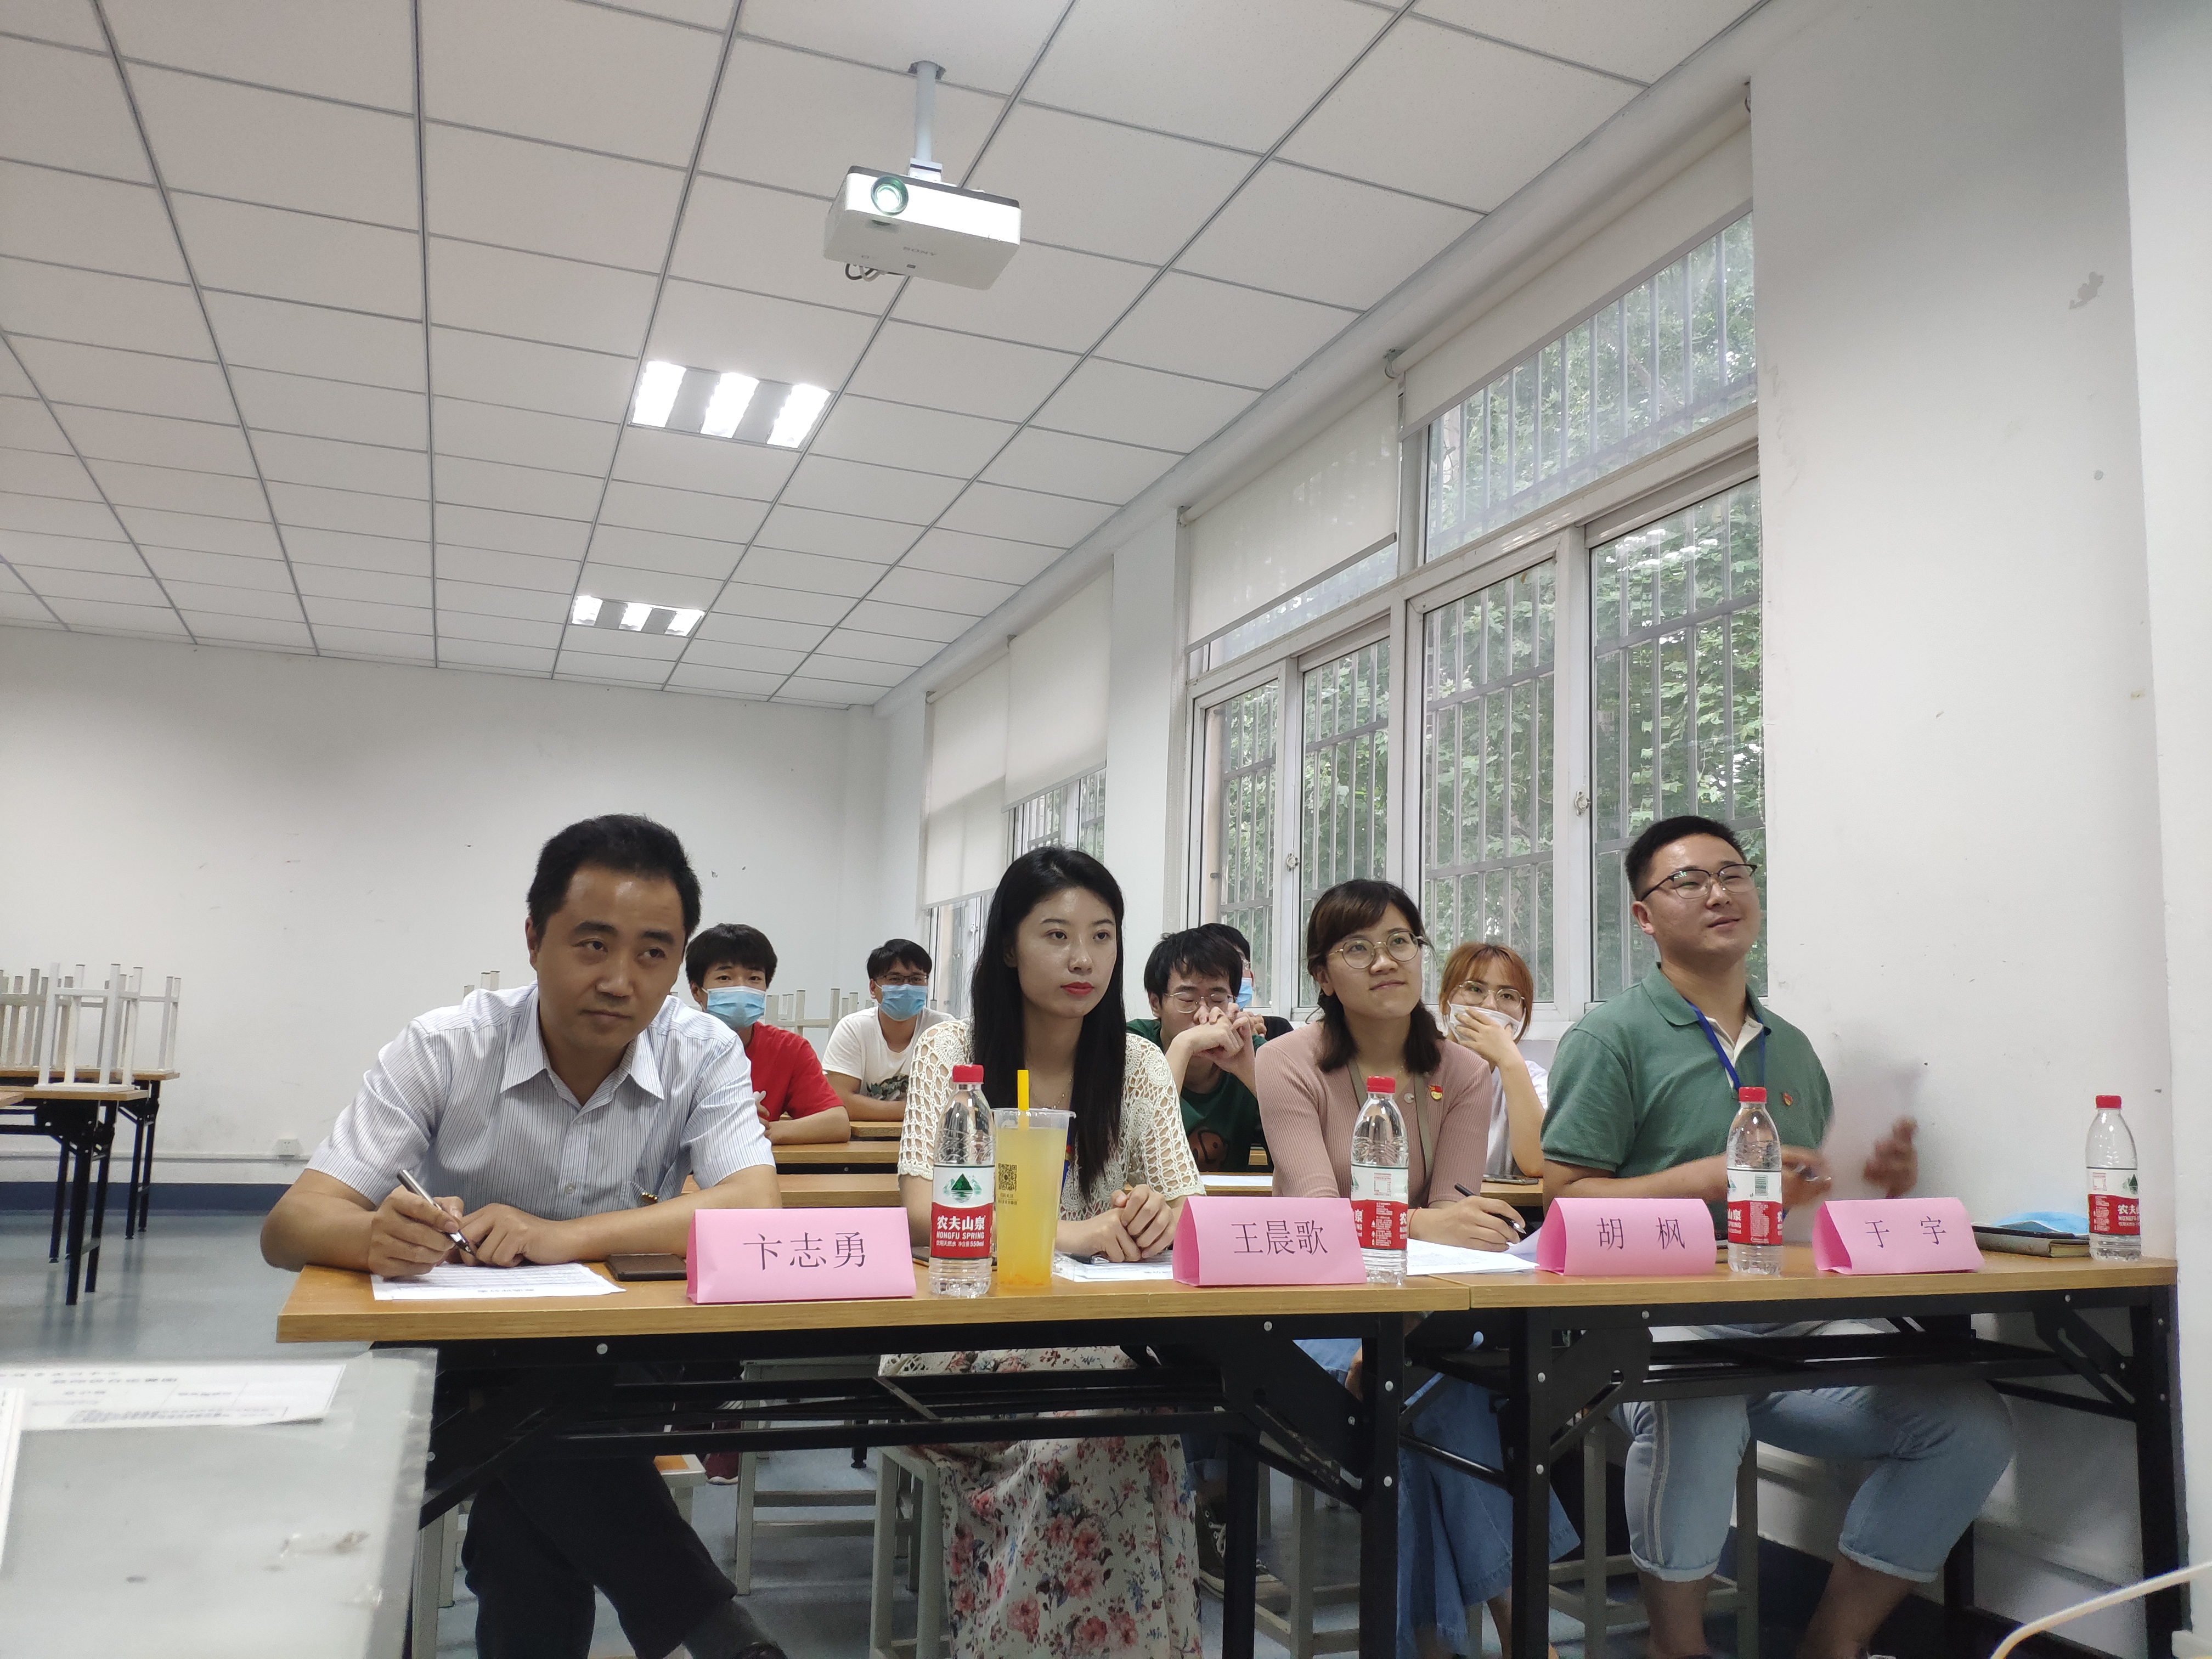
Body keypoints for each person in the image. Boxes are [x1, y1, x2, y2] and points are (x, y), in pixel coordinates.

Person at [259, 815, 786, 1659]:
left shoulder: (702, 1051)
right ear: (535, 939)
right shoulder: (447, 1047)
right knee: (541, 1457)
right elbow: (291, 1226)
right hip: (454, 1349)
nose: (620, 980)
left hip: (617, 1350)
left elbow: (754, 1207)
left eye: (654, 953)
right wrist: (375, 1237)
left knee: (531, 1456)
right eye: (593, 944)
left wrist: (561, 1237)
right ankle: (713, 1626)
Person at [1542, 815, 2014, 1659]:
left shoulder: (1789, 1047)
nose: (1719, 892)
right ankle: (1676, 1647)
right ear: (1644, 917)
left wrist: (1873, 1180)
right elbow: (1566, 1201)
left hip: (1792, 1322)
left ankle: (1831, 1645)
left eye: (1734, 874)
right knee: (1702, 1398)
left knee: (1969, 1426)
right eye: (1688, 880)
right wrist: (1706, 1178)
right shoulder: (1610, 1037)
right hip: (1654, 1325)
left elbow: (1807, 1208)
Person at [894, 847, 1205, 1657]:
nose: (1083, 959)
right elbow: (925, 1211)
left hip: (1105, 1338)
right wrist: (1070, 1233)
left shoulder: (1138, 1063)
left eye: (1102, 936)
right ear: (1008, 946)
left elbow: (1191, 1208)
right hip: (962, 1330)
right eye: (1057, 935)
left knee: (1125, 1424)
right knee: (1108, 1423)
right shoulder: (953, 1053)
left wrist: (1154, 1216)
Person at [1258, 879, 1578, 1658]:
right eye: (1358, 947)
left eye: (1401, 941)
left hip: (1419, 1314)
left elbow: (1458, 1225)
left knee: (1413, 1394)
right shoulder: (1286, 1062)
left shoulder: (1461, 1070)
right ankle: (1523, 1632)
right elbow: (1315, 1218)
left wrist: (1434, 1234)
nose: (1386, 961)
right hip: (1317, 1310)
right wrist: (1424, 1224)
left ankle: (1431, 1647)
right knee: (1435, 1399)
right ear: (1322, 974)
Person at [687, 923, 850, 1146]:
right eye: (725, 978)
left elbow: (837, 1123)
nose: (742, 987)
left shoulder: (789, 1049)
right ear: (697, 991)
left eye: (754, 978)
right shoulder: (675, 1046)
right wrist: (724, 1117)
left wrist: (763, 1130)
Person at [1129, 927, 1269, 1172]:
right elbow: (1138, 1156)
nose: (1204, 1014)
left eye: (1218, 1000)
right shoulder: (1134, 1044)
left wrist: (1249, 1074)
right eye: (1187, 1000)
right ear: (1155, 1003)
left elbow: (1298, 1149)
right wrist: (1184, 1046)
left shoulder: (1252, 1051)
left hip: (1227, 1197)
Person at [1436, 939, 1547, 1178]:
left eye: (1507, 996)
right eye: (1475, 989)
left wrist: (1509, 1061)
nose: (1490, 1005)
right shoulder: (1417, 1068)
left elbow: (1537, 1163)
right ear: (1445, 1003)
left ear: (1522, 1015)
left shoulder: (1531, 1078)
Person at [822, 937, 944, 1121]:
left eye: (916, 979)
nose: (907, 987)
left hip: (928, 1136)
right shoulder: (853, 1029)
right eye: (895, 979)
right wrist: (916, 1111)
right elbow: (840, 1100)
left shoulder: (944, 1029)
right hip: (864, 1137)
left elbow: (954, 1099)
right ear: (873, 988)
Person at [1199, 920, 1294, 1041]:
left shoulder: (1278, 1030)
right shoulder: (1188, 1030)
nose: (1230, 974)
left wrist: (1255, 1041)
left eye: (1238, 963)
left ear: (1251, 979)